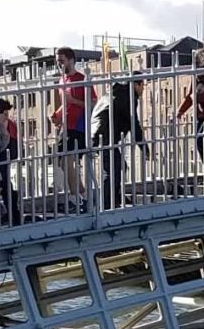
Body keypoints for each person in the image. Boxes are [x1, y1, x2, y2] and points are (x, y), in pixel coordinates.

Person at [89, 75, 144, 209]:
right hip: (104, 136)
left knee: (119, 166)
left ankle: (115, 197)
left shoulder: (116, 93)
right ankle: (107, 203)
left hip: (98, 134)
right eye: (143, 86)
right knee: (113, 169)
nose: (143, 90)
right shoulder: (128, 97)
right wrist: (144, 148)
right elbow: (133, 123)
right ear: (137, 85)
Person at [174, 48, 204, 179]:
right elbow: (189, 97)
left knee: (201, 141)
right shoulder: (195, 76)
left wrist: (197, 96)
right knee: (198, 143)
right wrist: (180, 111)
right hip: (201, 115)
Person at [54, 48, 91, 199]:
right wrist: (57, 114)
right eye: (57, 62)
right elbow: (65, 103)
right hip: (66, 126)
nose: (59, 64)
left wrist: (73, 101)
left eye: (61, 61)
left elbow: (92, 103)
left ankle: (76, 196)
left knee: (68, 160)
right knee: (61, 161)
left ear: (71, 60)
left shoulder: (81, 79)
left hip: (79, 125)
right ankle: (81, 194)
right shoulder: (62, 80)